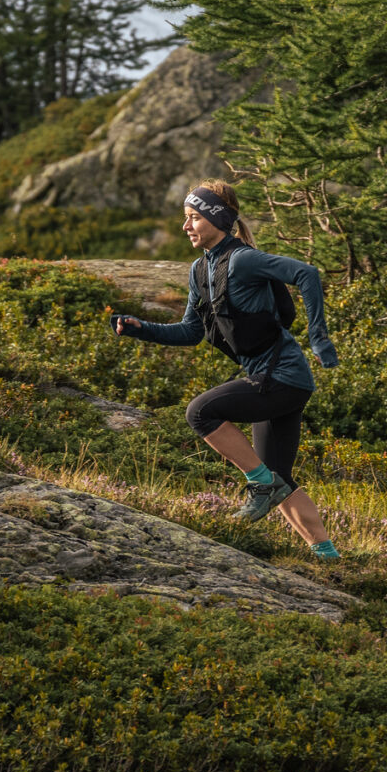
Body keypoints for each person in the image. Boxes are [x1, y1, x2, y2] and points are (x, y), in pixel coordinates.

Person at [111, 179, 342, 560]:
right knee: (280, 478)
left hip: (281, 377)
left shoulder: (243, 259)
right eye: (185, 218)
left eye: (193, 218)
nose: (186, 227)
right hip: (278, 381)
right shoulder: (199, 272)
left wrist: (319, 339)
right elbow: (191, 332)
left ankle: (260, 486)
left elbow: (307, 274)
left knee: (201, 412)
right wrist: (143, 329)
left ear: (217, 219)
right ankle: (327, 555)